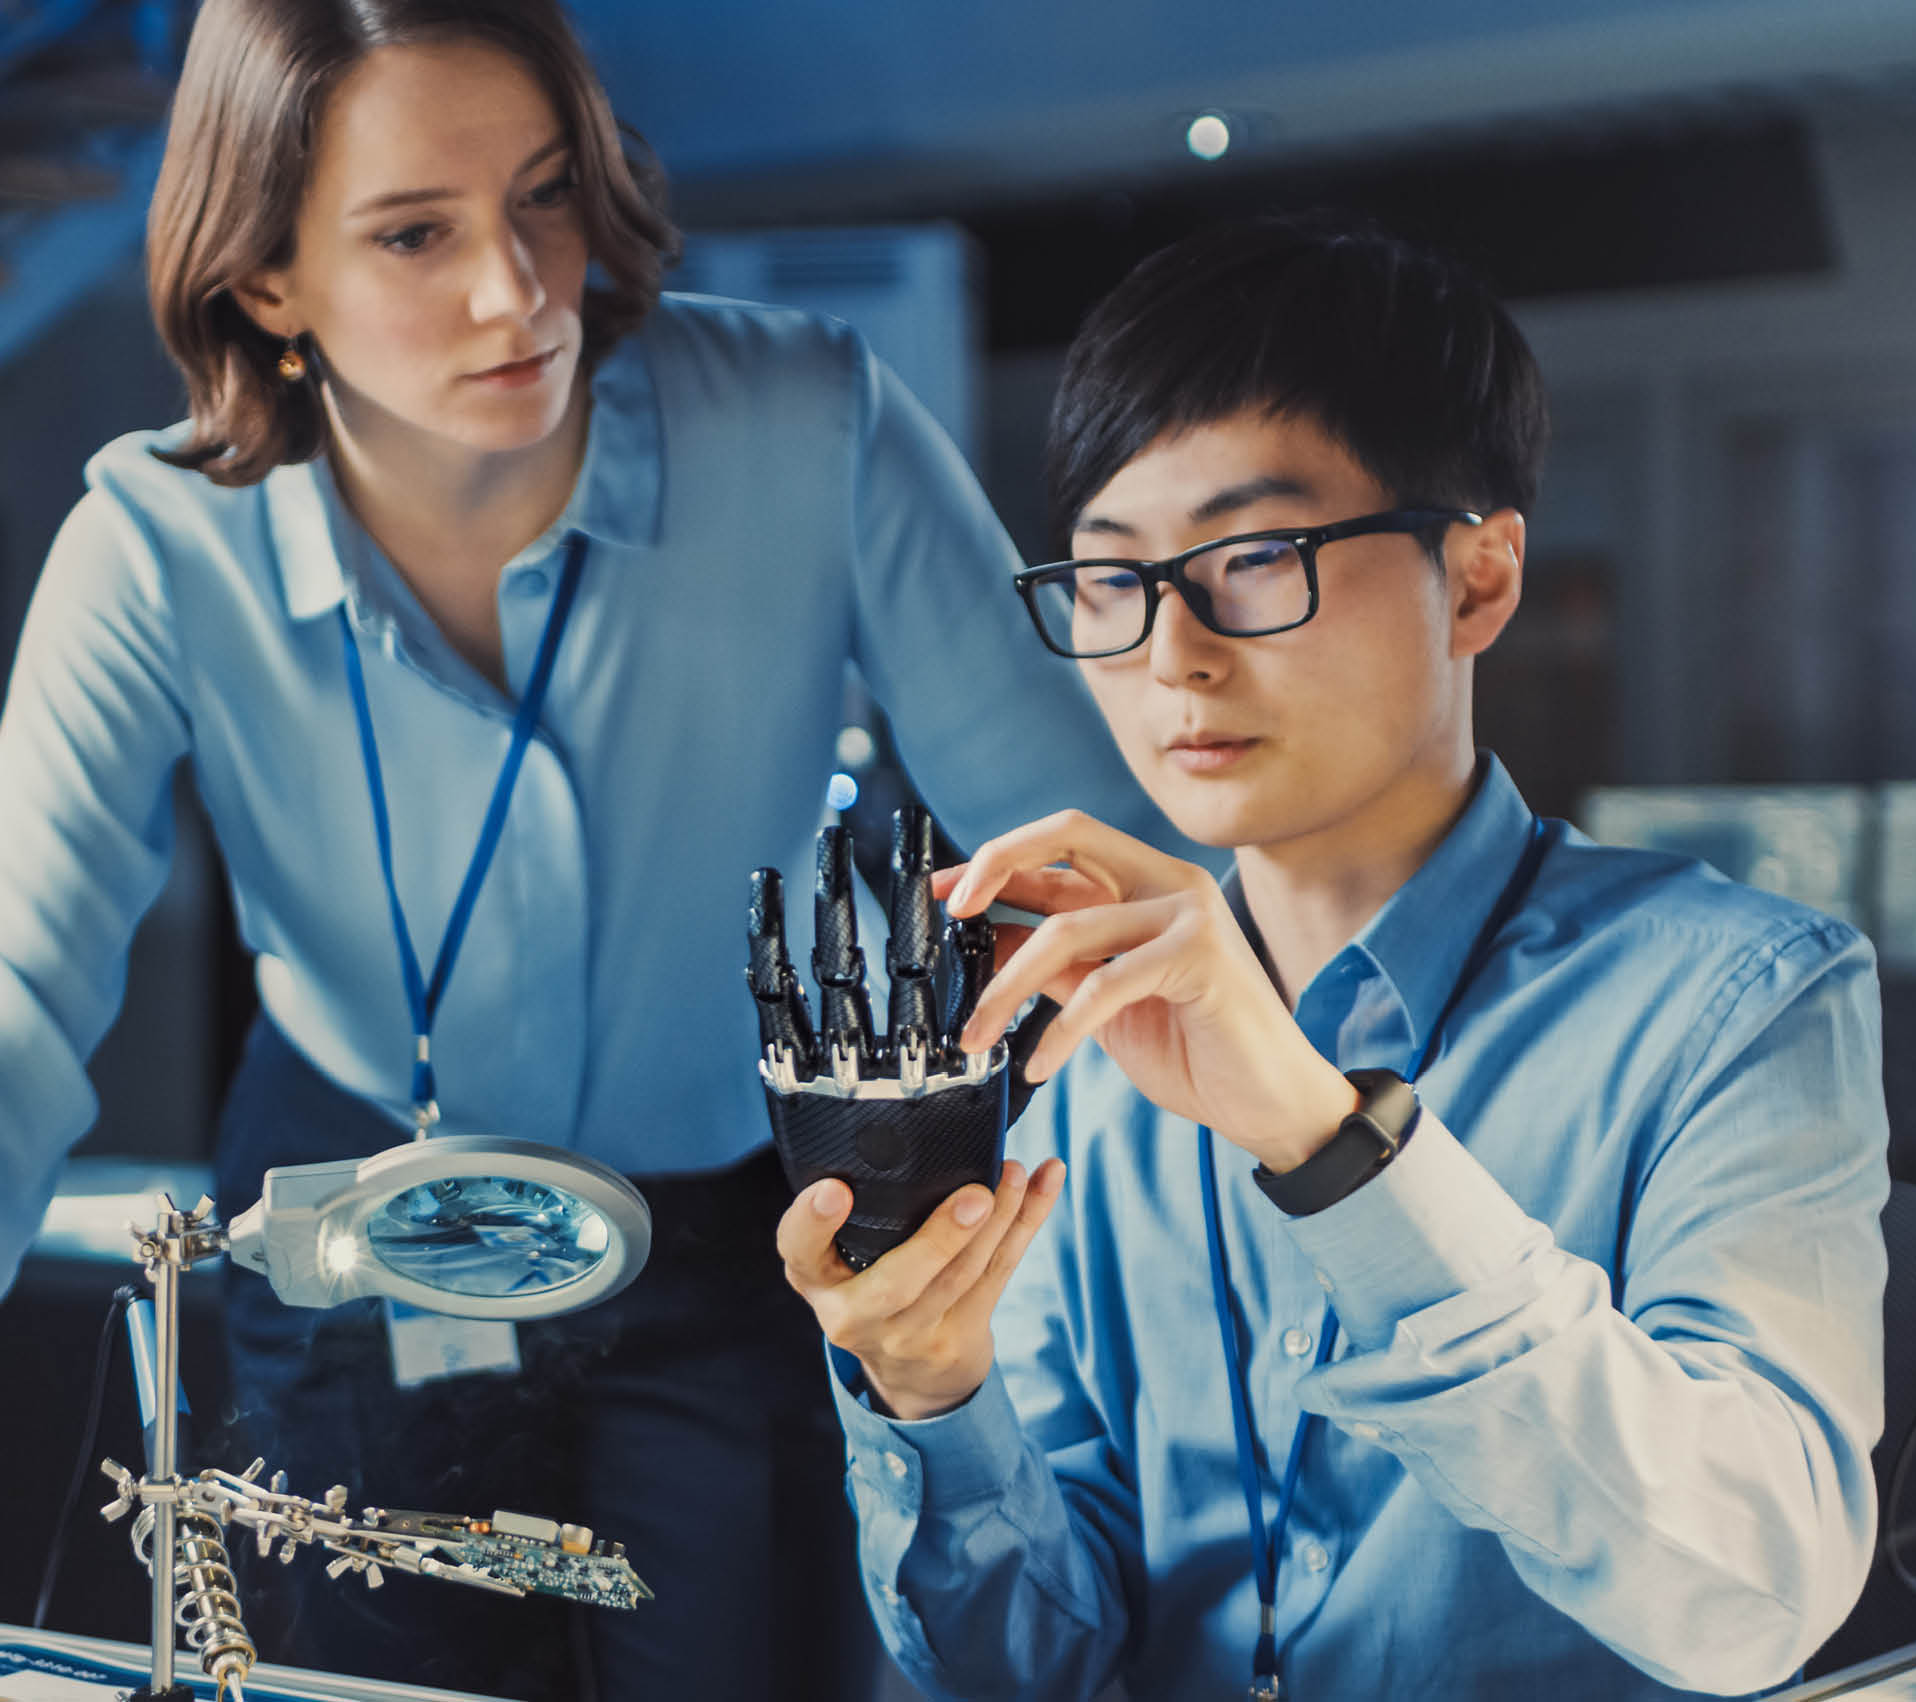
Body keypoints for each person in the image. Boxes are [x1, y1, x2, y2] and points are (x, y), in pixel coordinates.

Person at [0, 0, 1186, 1696]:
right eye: (416, 232)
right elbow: (16, 1003)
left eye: (546, 196)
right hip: (355, 1223)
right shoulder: (150, 539)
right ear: (266, 280)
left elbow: (1091, 868)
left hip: (736, 1233)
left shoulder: (812, 421)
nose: (519, 288)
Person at [777, 214, 1891, 1698]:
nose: (1171, 651)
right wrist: (933, 1392)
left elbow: (1758, 1589)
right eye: (1110, 579)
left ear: (1479, 580)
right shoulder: (1100, 1065)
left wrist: (1324, 1137)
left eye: (1255, 556)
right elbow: (1042, 1665)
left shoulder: (1734, 1001)